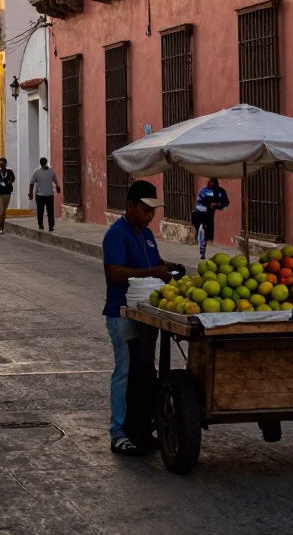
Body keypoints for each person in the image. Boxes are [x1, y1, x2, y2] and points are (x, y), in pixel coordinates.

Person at [102, 180, 172, 457]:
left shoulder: (146, 234)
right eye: (144, 210)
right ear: (129, 205)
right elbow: (115, 273)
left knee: (144, 372)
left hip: (145, 314)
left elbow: (151, 262)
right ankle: (118, 433)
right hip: (122, 313)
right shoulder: (116, 234)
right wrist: (155, 272)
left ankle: (140, 429)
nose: (149, 215)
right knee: (125, 372)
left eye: (152, 211)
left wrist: (166, 267)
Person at [191, 177, 230, 259]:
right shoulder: (204, 191)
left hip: (209, 215)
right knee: (202, 229)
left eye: (211, 182)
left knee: (206, 233)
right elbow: (201, 201)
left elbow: (225, 204)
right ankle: (202, 248)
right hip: (199, 213)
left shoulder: (220, 191)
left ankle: (203, 248)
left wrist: (217, 204)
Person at [28, 157, 60, 232]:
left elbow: (55, 180)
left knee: (49, 211)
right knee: (41, 211)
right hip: (40, 195)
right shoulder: (37, 172)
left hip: (48, 195)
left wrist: (57, 187)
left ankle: (51, 225)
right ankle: (41, 224)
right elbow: (32, 183)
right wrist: (30, 193)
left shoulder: (50, 172)